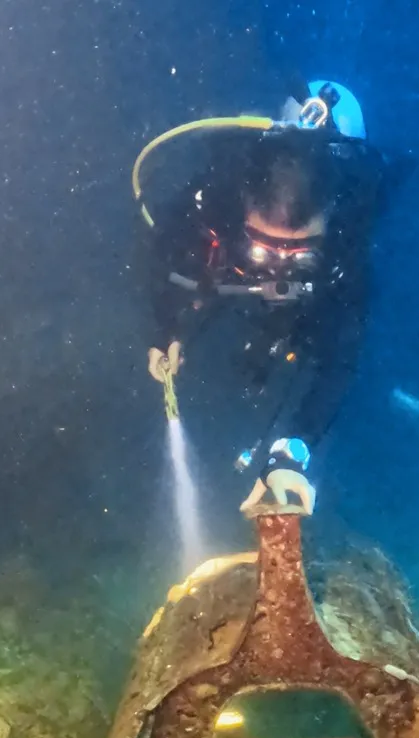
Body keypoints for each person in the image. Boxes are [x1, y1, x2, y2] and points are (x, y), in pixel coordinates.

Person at [142, 81, 386, 504]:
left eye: (299, 259)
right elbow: (160, 261)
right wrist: (166, 331)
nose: (277, 275)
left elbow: (339, 363)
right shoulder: (213, 215)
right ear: (242, 218)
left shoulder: (346, 263)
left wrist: (293, 452)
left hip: (309, 320)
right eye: (265, 250)